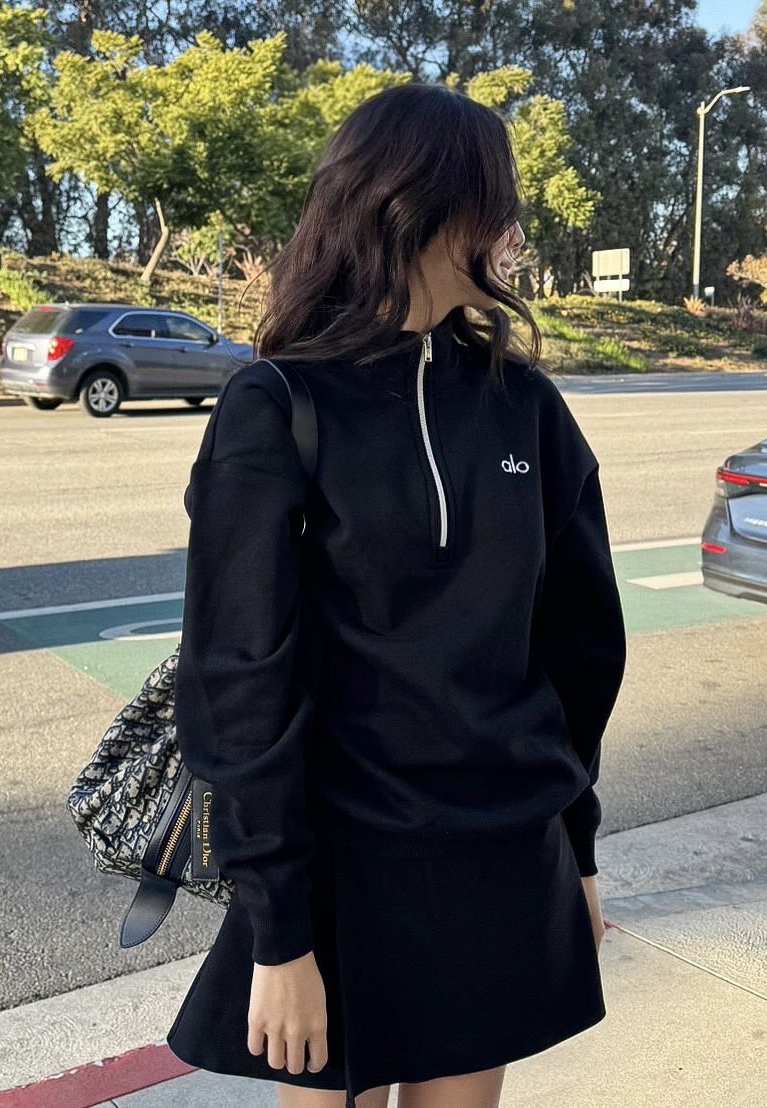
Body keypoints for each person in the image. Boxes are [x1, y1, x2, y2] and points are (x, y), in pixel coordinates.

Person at [166, 81, 627, 1108]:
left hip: (501, 856)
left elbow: (581, 652)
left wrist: (576, 848)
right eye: (496, 205)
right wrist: (279, 934)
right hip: (339, 868)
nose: (513, 233)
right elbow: (236, 676)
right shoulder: (277, 403)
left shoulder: (527, 409)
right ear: (418, 210)